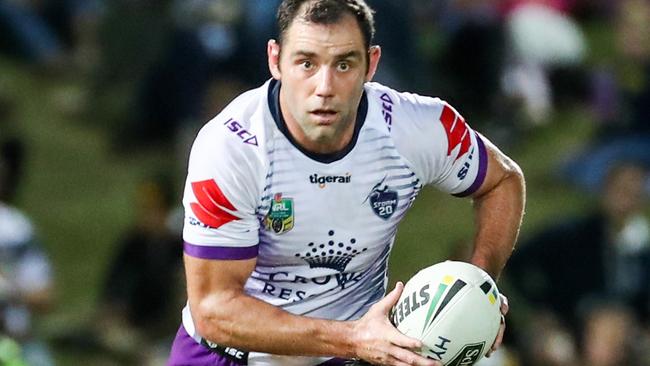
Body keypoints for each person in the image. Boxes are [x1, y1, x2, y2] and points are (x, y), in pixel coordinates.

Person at [168, 1, 525, 365]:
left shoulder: (416, 128)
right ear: (275, 60)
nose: (324, 87)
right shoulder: (232, 149)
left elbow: (504, 180)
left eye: (344, 64)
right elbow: (213, 311)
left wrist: (479, 287)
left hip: (345, 354)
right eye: (306, 63)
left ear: (371, 64)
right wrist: (352, 338)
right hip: (228, 355)